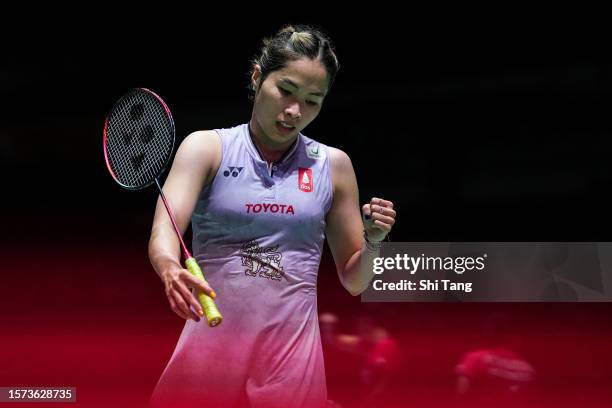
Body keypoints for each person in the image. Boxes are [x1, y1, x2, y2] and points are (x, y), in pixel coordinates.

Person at [147, 24, 397, 408]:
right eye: (286, 90)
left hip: (291, 367)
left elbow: (354, 279)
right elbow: (166, 229)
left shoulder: (333, 166)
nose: (295, 111)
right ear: (257, 77)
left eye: (313, 100)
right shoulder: (207, 149)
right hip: (211, 359)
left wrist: (376, 243)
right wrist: (168, 266)